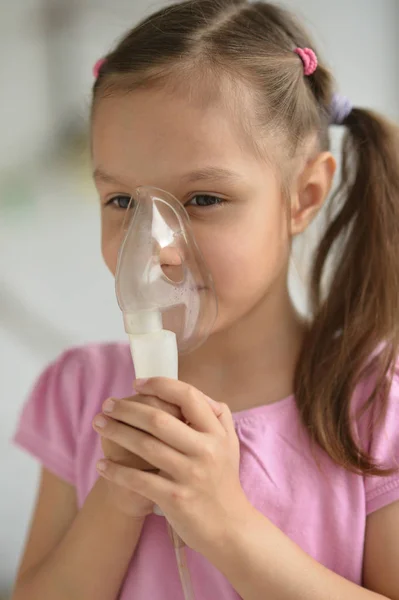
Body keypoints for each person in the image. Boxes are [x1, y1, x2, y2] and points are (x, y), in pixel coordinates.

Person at [12, 1, 399, 599]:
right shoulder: (79, 397)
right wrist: (117, 497)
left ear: (303, 195)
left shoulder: (373, 407)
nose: (155, 247)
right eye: (121, 203)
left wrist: (223, 523)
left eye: (202, 200)